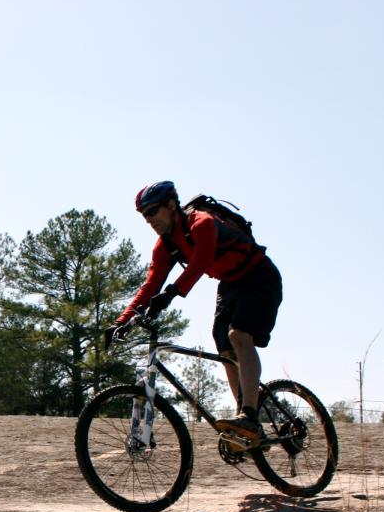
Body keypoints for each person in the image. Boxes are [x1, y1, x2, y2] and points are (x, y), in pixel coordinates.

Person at [107, 180, 282, 444]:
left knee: (239, 335)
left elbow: (199, 263)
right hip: (230, 283)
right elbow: (151, 283)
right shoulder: (164, 245)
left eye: (153, 212)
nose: (149, 220)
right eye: (144, 216)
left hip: (259, 276)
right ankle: (243, 424)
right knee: (224, 348)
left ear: (171, 205)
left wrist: (170, 294)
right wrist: (121, 321)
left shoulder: (202, 222)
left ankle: (250, 416)